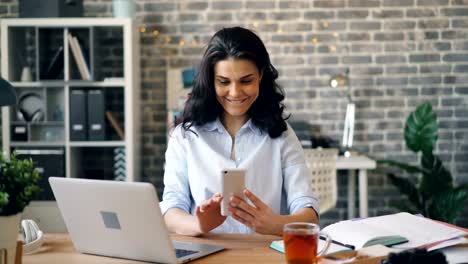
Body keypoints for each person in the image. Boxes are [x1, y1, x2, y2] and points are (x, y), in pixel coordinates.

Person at [160, 27, 318, 236]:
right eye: (224, 82)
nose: (235, 93)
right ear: (211, 80)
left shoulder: (282, 135)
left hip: (264, 253)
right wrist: (200, 225)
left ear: (261, 75)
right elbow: (171, 209)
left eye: (246, 81)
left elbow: (308, 210)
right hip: (206, 252)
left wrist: (275, 224)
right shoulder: (185, 136)